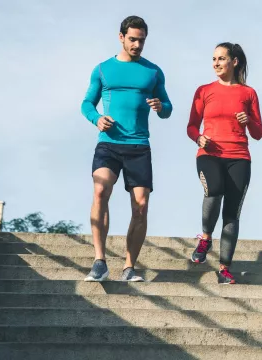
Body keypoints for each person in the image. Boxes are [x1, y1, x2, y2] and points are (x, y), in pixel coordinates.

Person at [81, 15, 173, 282]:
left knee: (141, 206)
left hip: (139, 146)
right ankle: (99, 261)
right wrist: (96, 118)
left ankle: (129, 266)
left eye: (141, 40)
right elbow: (87, 103)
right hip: (109, 144)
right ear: (121, 37)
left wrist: (160, 107)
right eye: (132, 39)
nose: (137, 45)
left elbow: (167, 108)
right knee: (100, 190)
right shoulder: (102, 69)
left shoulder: (153, 72)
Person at [187, 42, 262, 284]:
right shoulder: (204, 90)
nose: (216, 63)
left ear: (234, 62)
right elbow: (191, 126)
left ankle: (224, 268)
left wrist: (248, 119)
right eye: (214, 59)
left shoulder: (248, 93)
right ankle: (206, 237)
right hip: (209, 154)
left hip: (239, 157)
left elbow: (259, 132)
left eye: (221, 59)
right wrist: (199, 137)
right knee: (214, 189)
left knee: (232, 213)